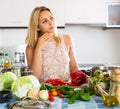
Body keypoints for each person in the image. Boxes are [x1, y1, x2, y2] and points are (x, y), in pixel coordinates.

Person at [25, 6, 79, 82]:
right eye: (44, 21)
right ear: (37, 27)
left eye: (51, 18)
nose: (51, 23)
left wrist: (81, 79)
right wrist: (38, 48)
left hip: (65, 90)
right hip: (44, 92)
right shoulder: (31, 47)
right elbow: (35, 78)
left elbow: (74, 68)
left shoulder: (67, 39)